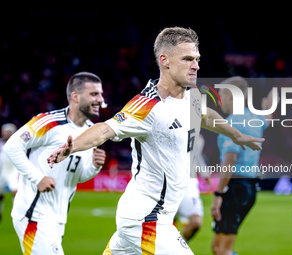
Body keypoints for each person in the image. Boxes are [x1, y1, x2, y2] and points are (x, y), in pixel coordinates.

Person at [47, 27, 264, 255]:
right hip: (144, 217)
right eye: (188, 59)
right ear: (165, 60)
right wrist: (73, 146)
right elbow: (105, 130)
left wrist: (235, 134)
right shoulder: (148, 105)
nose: (196, 65)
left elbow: (206, 116)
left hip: (155, 215)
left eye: (197, 59)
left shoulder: (192, 95)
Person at [3, 72, 107, 255]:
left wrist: (94, 167)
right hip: (33, 214)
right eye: (94, 94)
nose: (100, 99)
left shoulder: (92, 131)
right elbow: (12, 146)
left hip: (58, 218)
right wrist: (38, 178)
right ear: (75, 96)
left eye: (100, 94)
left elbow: (78, 175)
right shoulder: (49, 122)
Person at [211, 76, 274, 255]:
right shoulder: (255, 118)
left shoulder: (232, 122)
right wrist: (269, 105)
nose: (219, 99)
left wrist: (218, 194)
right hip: (249, 186)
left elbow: (229, 161)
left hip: (235, 187)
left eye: (222, 94)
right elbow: (268, 118)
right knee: (217, 248)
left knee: (222, 250)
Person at [175, 134, 210, 242]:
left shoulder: (199, 138)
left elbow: (197, 156)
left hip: (189, 184)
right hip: (168, 182)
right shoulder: (168, 128)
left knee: (196, 223)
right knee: (166, 223)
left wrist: (205, 173)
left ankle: (180, 246)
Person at [0, 123, 19, 223]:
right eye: (3, 132)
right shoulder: (1, 144)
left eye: (6, 132)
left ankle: (18, 215)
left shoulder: (17, 145)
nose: (4, 134)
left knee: (15, 192)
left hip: (13, 171)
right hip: (3, 172)